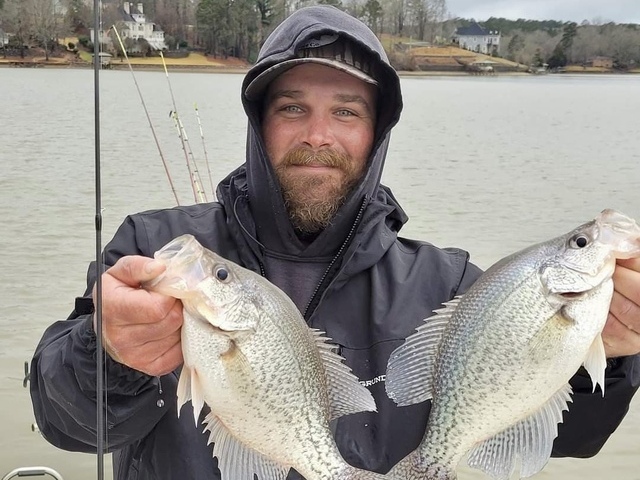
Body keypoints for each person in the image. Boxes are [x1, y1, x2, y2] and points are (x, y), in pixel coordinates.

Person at [30, 6, 640, 480]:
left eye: (347, 112)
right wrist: (105, 351)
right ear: (259, 123)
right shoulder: (154, 247)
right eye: (293, 108)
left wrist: (609, 354)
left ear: (377, 134)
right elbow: (67, 424)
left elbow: (568, 437)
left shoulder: (450, 284)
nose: (318, 135)